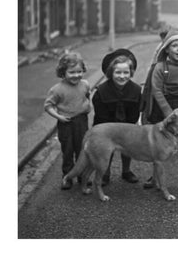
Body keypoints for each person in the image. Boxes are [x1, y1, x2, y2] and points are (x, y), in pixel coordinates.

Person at [141, 28, 178, 190]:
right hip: (163, 109)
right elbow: (157, 91)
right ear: (166, 49)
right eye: (175, 46)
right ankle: (154, 178)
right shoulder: (160, 68)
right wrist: (170, 114)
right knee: (158, 143)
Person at [92, 49, 141, 186]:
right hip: (106, 127)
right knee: (107, 149)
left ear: (130, 73)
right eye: (118, 72)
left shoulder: (136, 90)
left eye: (126, 72)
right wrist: (111, 131)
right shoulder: (101, 92)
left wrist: (127, 128)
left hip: (127, 125)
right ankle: (105, 172)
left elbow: (134, 113)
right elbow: (101, 116)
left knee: (128, 147)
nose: (122, 76)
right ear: (111, 73)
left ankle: (126, 171)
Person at [44, 52, 91, 190]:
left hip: (81, 121)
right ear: (63, 72)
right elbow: (48, 106)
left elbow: (87, 96)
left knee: (82, 150)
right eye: (72, 72)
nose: (76, 75)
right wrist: (59, 117)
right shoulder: (57, 89)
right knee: (68, 151)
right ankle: (67, 177)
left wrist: (88, 106)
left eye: (79, 71)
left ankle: (82, 175)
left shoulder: (85, 84)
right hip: (66, 123)